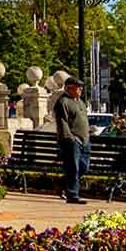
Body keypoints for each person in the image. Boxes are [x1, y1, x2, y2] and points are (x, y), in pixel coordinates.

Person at [54, 75, 90, 205]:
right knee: (73, 168)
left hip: (85, 141)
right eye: (77, 87)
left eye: (81, 88)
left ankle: (63, 183)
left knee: (84, 167)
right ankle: (73, 195)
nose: (80, 90)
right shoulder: (63, 102)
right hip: (71, 142)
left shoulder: (81, 102)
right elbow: (62, 122)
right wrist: (70, 138)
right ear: (69, 88)